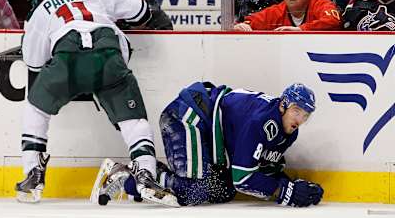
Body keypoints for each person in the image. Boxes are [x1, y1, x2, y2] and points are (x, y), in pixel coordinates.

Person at [15, 0, 177, 207]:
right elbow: (143, 10)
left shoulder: (40, 11)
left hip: (68, 57)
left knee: (36, 107)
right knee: (133, 120)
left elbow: (34, 63)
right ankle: (146, 173)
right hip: (109, 53)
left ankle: (33, 173)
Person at [94, 81, 324, 207]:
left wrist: (288, 184)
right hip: (187, 118)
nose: (300, 119)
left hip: (202, 127)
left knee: (221, 191)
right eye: (296, 111)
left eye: (306, 115)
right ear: (283, 105)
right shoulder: (262, 121)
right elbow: (242, 179)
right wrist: (285, 190)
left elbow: (263, 168)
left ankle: (137, 178)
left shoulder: (286, 131)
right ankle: (127, 175)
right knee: (196, 190)